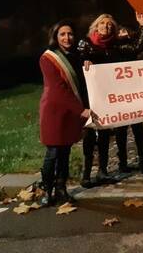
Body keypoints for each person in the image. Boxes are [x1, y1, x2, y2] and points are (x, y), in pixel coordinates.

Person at [77, 12, 143, 186]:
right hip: (91, 97)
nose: (106, 27)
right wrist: (85, 62)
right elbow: (76, 62)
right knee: (90, 135)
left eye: (109, 25)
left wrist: (142, 26)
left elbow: (137, 47)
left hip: (109, 98)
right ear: (96, 26)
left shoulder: (116, 46)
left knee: (105, 134)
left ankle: (102, 171)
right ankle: (85, 174)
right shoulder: (86, 44)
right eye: (103, 24)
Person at [38, 20, 92, 206]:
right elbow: (59, 90)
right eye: (62, 34)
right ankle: (46, 190)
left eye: (70, 34)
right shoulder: (48, 58)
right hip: (54, 112)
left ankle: (61, 189)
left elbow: (82, 83)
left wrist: (88, 65)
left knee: (65, 153)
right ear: (55, 36)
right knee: (53, 152)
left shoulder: (76, 56)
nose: (67, 38)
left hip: (70, 113)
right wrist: (81, 110)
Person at [111, 25, 143, 175]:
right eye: (120, 31)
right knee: (121, 131)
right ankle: (123, 162)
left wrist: (141, 27)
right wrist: (141, 27)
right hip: (119, 94)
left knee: (138, 129)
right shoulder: (115, 47)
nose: (123, 33)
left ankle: (142, 161)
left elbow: (139, 47)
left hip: (132, 94)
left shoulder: (132, 47)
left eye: (125, 31)